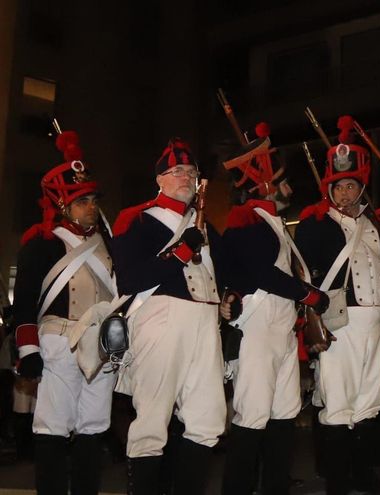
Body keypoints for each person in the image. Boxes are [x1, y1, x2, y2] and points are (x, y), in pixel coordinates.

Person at [219, 122, 329, 494]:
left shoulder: (273, 222)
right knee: (251, 415)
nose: (289, 189)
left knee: (284, 412)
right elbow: (261, 273)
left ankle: (275, 485)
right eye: (282, 182)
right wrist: (310, 295)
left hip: (280, 326)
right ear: (264, 185)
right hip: (258, 326)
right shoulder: (246, 219)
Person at [113, 138, 226, 494]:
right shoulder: (138, 219)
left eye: (190, 172)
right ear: (159, 179)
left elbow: (226, 273)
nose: (186, 177)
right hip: (162, 317)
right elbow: (130, 279)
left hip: (205, 323)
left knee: (208, 420)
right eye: (176, 171)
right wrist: (181, 251)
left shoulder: (204, 225)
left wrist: (230, 296)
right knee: (152, 421)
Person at [293, 116, 380, 495]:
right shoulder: (314, 224)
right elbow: (302, 276)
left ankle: (364, 475)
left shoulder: (374, 224)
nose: (344, 193)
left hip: (376, 322)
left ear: (360, 188)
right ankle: (338, 482)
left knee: (370, 401)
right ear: (330, 188)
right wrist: (311, 321)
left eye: (351, 186)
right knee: (338, 403)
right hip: (340, 322)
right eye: (338, 187)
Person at [13, 131, 117, 494]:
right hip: (59, 342)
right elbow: (24, 300)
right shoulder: (42, 242)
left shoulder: (107, 244)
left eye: (92, 200)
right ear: (63, 205)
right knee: (53, 428)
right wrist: (28, 350)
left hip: (100, 345)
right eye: (82, 201)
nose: (91, 206)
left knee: (94, 426)